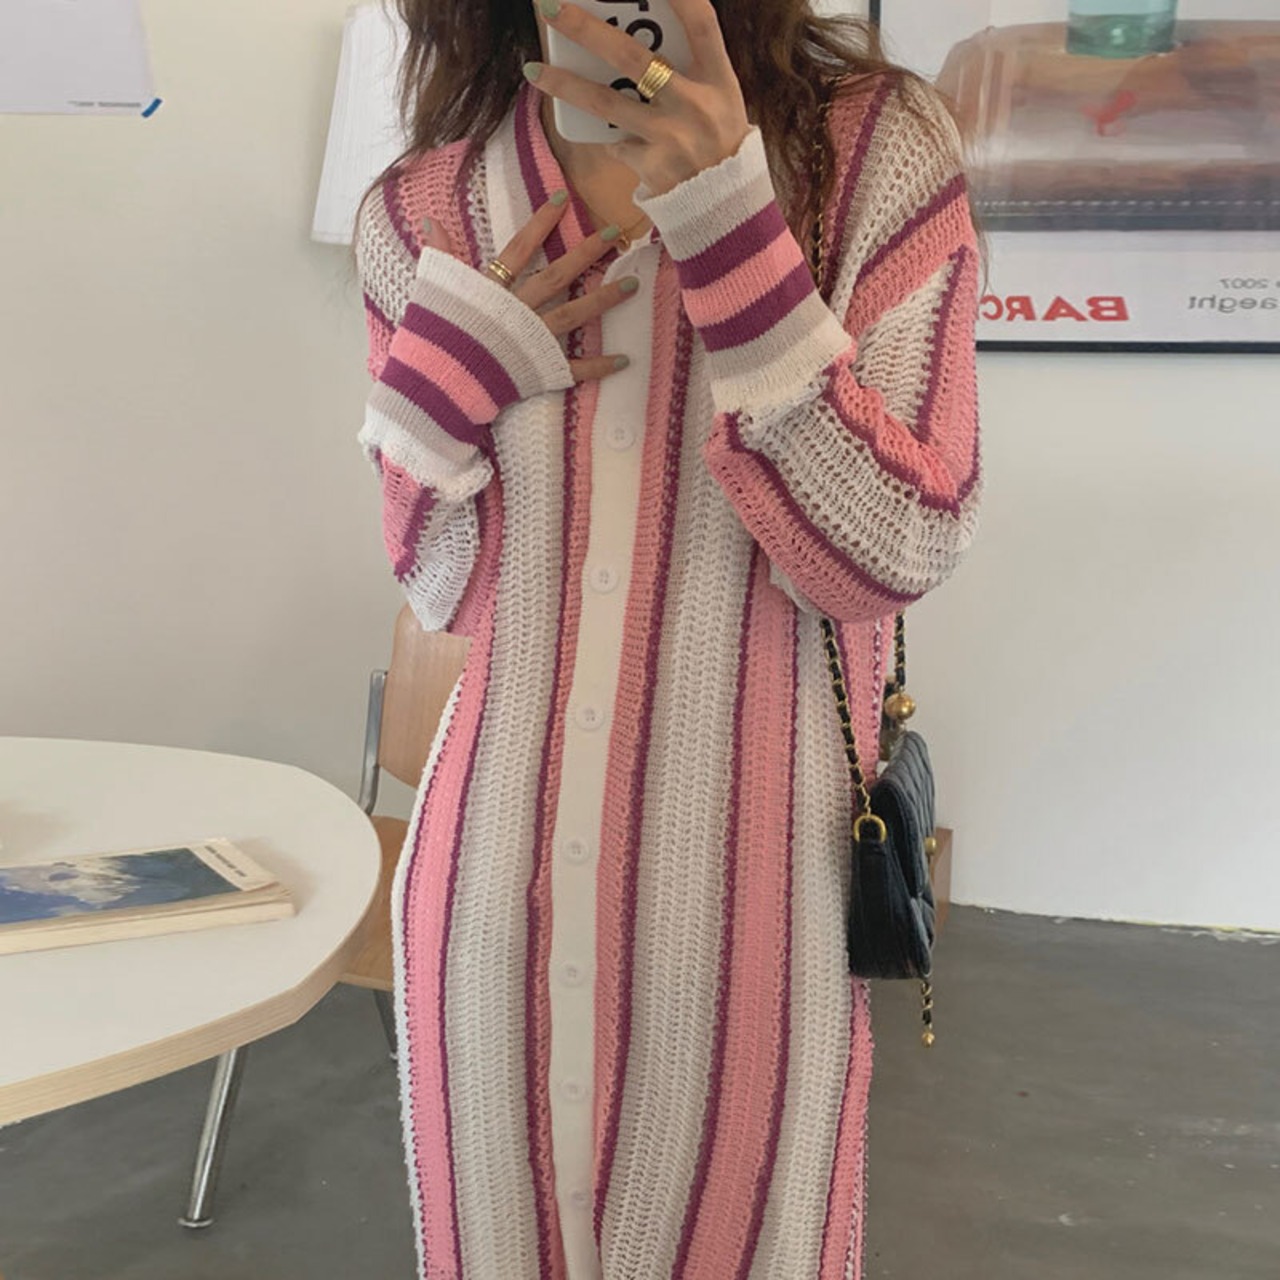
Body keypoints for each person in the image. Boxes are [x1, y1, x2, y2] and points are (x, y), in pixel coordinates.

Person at [351, 1, 983, 1276]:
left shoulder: (869, 156)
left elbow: (890, 555)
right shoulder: (422, 209)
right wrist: (442, 389)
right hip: (485, 898)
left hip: (755, 903)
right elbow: (443, 589)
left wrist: (730, 233)